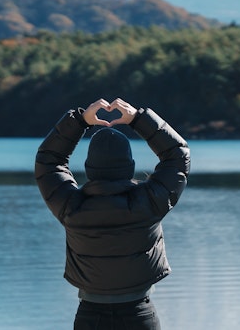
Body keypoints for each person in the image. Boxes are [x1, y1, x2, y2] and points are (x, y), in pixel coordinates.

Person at [35, 98, 191, 329]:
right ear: (129, 165)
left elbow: (49, 162)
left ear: (90, 168)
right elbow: (177, 155)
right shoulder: (149, 203)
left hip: (90, 316)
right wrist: (138, 119)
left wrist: (79, 121)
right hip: (140, 315)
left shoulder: (70, 207)